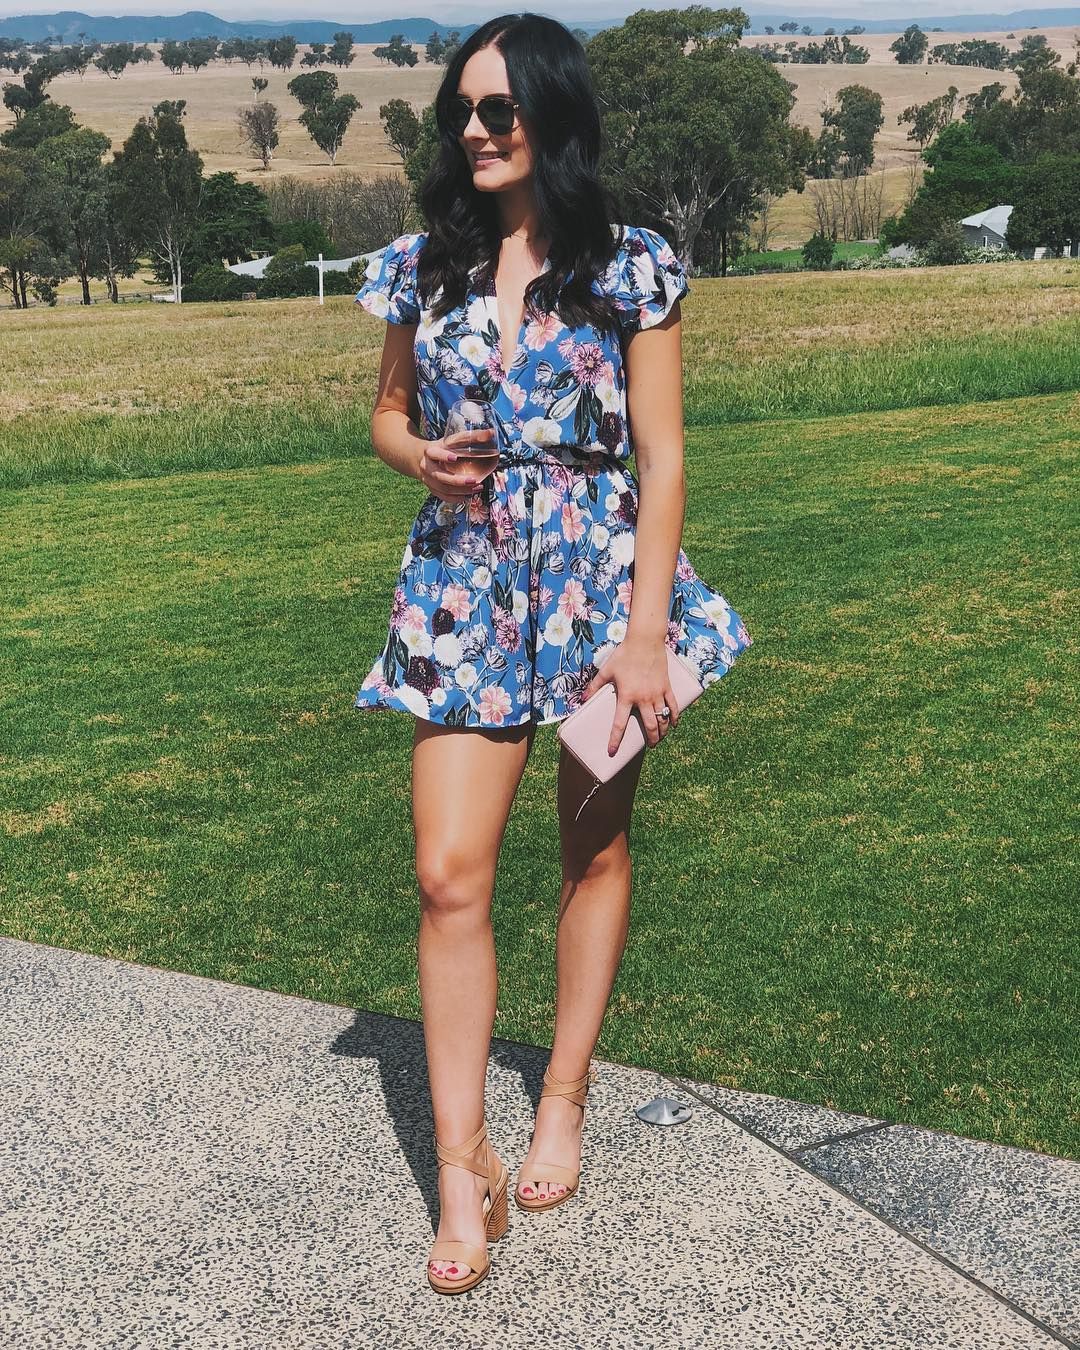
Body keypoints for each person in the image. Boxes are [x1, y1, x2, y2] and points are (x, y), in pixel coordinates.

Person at [352, 12, 753, 1294]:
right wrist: (422, 458)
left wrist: (645, 637)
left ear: (552, 116)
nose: (474, 131)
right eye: (460, 111)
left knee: (593, 849)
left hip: (596, 591)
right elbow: (385, 415)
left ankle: (564, 1095)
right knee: (446, 874)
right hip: (465, 584)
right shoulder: (425, 264)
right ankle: (460, 1168)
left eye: (499, 109)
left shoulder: (630, 264)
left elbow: (665, 458)